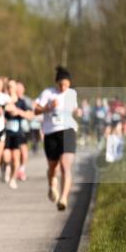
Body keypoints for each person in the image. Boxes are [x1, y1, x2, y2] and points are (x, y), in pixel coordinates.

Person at [34, 66, 81, 211]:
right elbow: (36, 110)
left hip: (67, 131)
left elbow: (73, 109)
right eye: (61, 84)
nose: (63, 87)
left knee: (65, 165)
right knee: (52, 167)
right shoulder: (47, 93)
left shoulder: (72, 94)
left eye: (66, 84)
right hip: (51, 134)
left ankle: (64, 198)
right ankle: (52, 184)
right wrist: (48, 107)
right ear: (56, 83)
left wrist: (77, 111)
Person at [4, 79, 34, 190]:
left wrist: (18, 111)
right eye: (9, 86)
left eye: (13, 86)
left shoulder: (21, 102)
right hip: (5, 132)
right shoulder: (4, 100)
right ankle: (7, 168)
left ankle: (13, 178)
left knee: (16, 157)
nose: (11, 88)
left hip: (18, 132)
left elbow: (30, 115)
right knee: (6, 157)